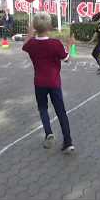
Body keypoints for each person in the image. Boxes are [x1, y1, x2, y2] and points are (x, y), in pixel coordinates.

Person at [22, 12, 76, 154]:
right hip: (54, 82)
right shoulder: (55, 44)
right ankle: (68, 141)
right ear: (50, 27)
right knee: (61, 111)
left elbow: (25, 45)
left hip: (39, 82)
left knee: (43, 108)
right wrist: (69, 46)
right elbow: (67, 59)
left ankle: (48, 133)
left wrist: (30, 32)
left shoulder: (32, 44)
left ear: (35, 27)